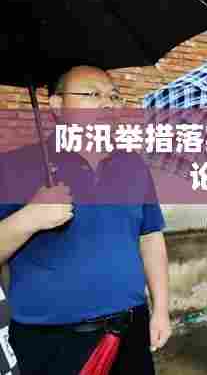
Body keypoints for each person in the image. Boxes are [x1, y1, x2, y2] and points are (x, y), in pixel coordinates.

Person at [0, 66, 171, 375]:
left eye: (114, 96)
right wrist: (29, 217)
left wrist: (161, 309)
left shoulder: (132, 165)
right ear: (57, 105)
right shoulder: (14, 167)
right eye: (93, 94)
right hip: (52, 341)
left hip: (130, 328)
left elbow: (150, 238)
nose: (108, 104)